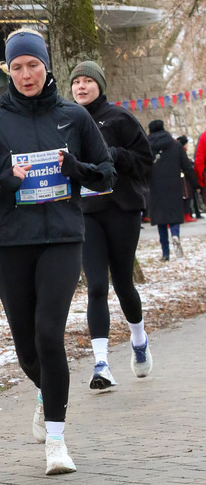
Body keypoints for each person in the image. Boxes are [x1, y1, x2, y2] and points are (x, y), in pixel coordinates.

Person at [0, 29, 113, 476]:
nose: (26, 74)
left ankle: (57, 442)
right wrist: (5, 179)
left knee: (49, 335)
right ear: (10, 70)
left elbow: (106, 175)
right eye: (18, 66)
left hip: (63, 237)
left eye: (34, 65)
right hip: (10, 241)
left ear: (47, 67)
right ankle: (47, 392)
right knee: (27, 347)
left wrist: (76, 169)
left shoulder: (73, 117)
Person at [69, 61, 153, 387]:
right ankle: (101, 365)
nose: (82, 87)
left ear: (100, 85)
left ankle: (139, 340)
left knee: (122, 284)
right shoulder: (67, 122)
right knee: (96, 287)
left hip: (121, 210)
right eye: (77, 82)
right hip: (86, 213)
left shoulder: (119, 118)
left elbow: (145, 162)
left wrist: (115, 153)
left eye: (88, 81)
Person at [147, 119, 198, 261]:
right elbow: (187, 167)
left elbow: (141, 167)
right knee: (174, 215)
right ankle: (175, 235)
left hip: (155, 187)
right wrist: (196, 185)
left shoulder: (146, 147)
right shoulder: (175, 145)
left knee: (161, 220)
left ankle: (165, 253)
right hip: (173, 185)